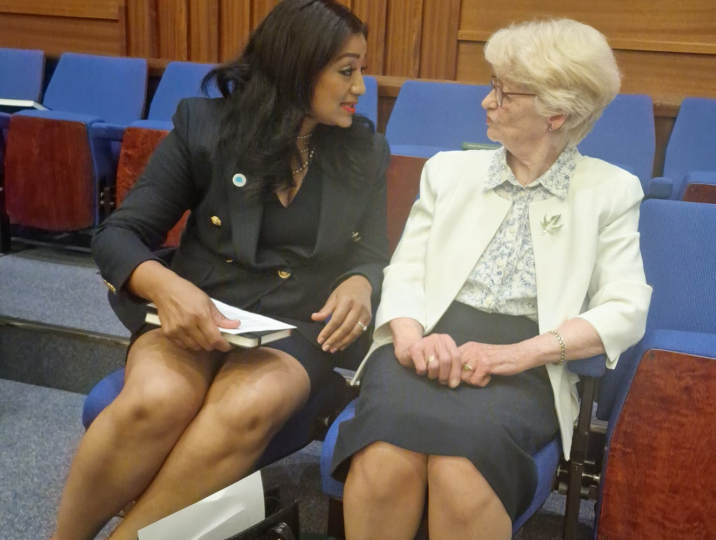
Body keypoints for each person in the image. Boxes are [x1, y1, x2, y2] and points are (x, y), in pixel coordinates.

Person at [50, 2, 390, 540]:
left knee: (243, 409)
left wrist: (362, 280)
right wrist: (164, 287)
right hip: (198, 308)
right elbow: (117, 234)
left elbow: (373, 252)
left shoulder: (364, 151)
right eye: (347, 70)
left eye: (360, 70)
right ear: (296, 67)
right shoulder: (204, 127)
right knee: (157, 401)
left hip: (297, 324)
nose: (361, 87)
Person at [330, 18, 653, 540]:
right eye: (492, 87)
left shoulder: (610, 192)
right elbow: (406, 269)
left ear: (557, 114)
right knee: (386, 459)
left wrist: (517, 355)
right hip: (425, 340)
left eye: (504, 93)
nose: (486, 102)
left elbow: (625, 308)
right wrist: (412, 343)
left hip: (527, 363)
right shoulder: (448, 172)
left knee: (463, 471)